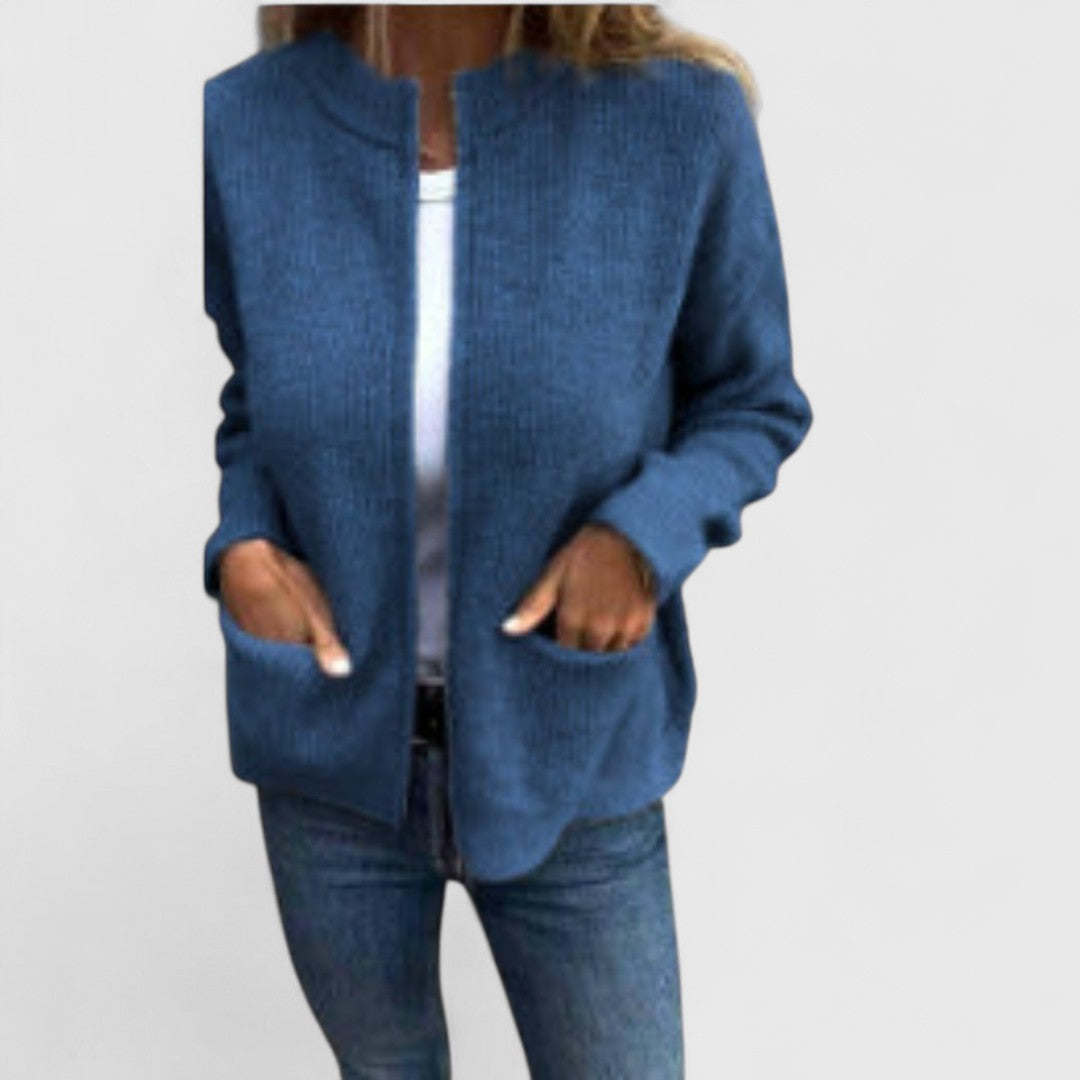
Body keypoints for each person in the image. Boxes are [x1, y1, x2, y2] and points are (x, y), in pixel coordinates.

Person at [202, 4, 812, 1075]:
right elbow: (258, 401)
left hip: (569, 743)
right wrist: (244, 547)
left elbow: (750, 401)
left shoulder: (680, 122)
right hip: (328, 760)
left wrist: (642, 536)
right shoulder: (255, 121)